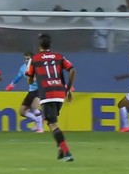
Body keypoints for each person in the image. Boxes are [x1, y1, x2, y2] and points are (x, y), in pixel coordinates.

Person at [26, 33, 76, 162]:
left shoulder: (35, 59)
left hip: (47, 94)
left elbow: (30, 81)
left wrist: (33, 77)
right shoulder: (59, 57)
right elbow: (72, 70)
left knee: (52, 124)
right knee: (52, 122)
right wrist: (68, 88)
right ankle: (60, 149)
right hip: (60, 93)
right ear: (51, 45)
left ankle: (67, 152)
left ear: (39, 45)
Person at [5, 52, 43, 133]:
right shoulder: (23, 68)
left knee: (34, 107)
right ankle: (37, 120)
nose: (26, 60)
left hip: (40, 89)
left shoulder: (38, 67)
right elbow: (18, 77)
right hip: (31, 90)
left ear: (32, 59)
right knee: (22, 112)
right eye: (25, 59)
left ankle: (40, 127)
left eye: (28, 58)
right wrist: (11, 85)